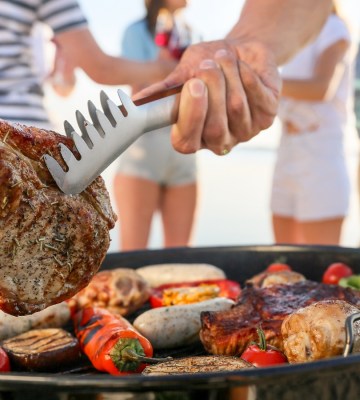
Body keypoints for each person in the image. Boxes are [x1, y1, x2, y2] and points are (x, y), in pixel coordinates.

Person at [137, 0, 334, 156]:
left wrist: (244, 58)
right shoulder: (141, 30)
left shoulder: (189, 32)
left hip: (316, 145)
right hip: (147, 141)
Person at [0, 0, 174, 129]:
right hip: (19, 132)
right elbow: (102, 69)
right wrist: (175, 68)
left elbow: (63, 87)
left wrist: (63, 65)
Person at [270, 4, 358, 245]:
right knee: (282, 259)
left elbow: (321, 88)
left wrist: (261, 78)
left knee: (321, 267)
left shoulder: (335, 29)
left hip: (322, 160)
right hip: (287, 153)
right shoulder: (294, 35)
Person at [114, 0, 198, 250]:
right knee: (134, 253)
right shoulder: (136, 32)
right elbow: (136, 93)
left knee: (181, 254)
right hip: (144, 141)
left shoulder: (190, 33)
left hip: (182, 142)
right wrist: (163, 67)